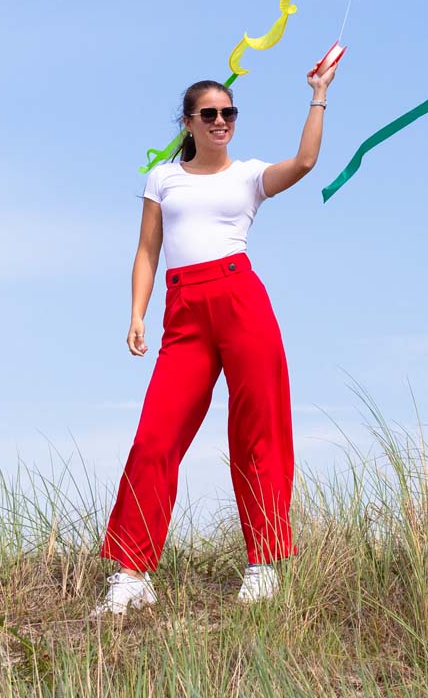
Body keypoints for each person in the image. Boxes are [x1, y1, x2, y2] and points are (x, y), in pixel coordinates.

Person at [91, 61, 337, 618]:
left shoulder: (248, 175)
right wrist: (137, 313)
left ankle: (263, 564)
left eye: (229, 113)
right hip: (183, 312)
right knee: (154, 438)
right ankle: (132, 573)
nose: (221, 121)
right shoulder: (163, 178)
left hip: (240, 301)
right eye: (209, 114)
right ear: (188, 122)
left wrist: (318, 95)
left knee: (258, 431)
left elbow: (304, 161)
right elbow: (147, 251)